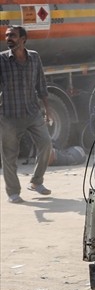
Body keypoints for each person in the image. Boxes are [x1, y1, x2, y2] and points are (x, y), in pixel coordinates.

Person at [0, 25, 52, 203]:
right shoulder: (1, 60)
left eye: (12, 36)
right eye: (7, 36)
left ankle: (37, 182)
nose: (8, 39)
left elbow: (41, 85)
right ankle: (13, 192)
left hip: (33, 112)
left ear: (23, 39)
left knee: (46, 144)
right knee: (9, 156)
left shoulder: (35, 57)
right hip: (9, 115)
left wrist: (48, 109)